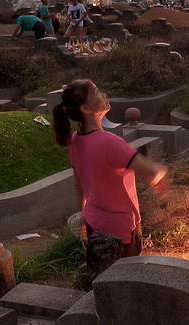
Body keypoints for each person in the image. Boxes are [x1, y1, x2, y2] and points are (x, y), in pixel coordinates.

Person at [52, 79, 168, 287]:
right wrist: (160, 172)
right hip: (121, 230)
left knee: (104, 283)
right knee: (127, 285)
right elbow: (150, 171)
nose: (103, 94)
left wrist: (84, 214)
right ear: (85, 109)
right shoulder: (109, 143)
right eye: (96, 92)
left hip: (94, 224)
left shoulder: (75, 140)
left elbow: (79, 185)